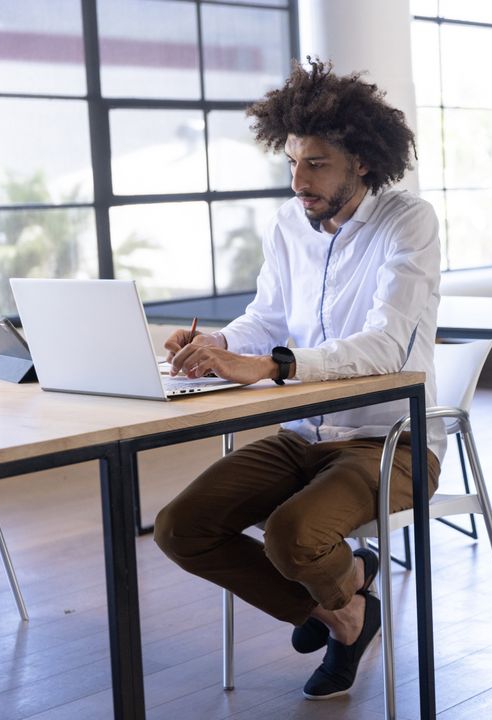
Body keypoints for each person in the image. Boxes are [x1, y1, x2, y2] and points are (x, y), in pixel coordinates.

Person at [152, 58, 444, 701]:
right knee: (180, 527)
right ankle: (342, 609)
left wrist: (275, 367)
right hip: (301, 434)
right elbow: (267, 318)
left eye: (316, 164)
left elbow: (388, 345)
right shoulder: (289, 226)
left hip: (391, 441)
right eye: (292, 163)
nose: (298, 181)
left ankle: (338, 587)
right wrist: (218, 345)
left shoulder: (409, 222)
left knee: (291, 536)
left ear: (361, 162)